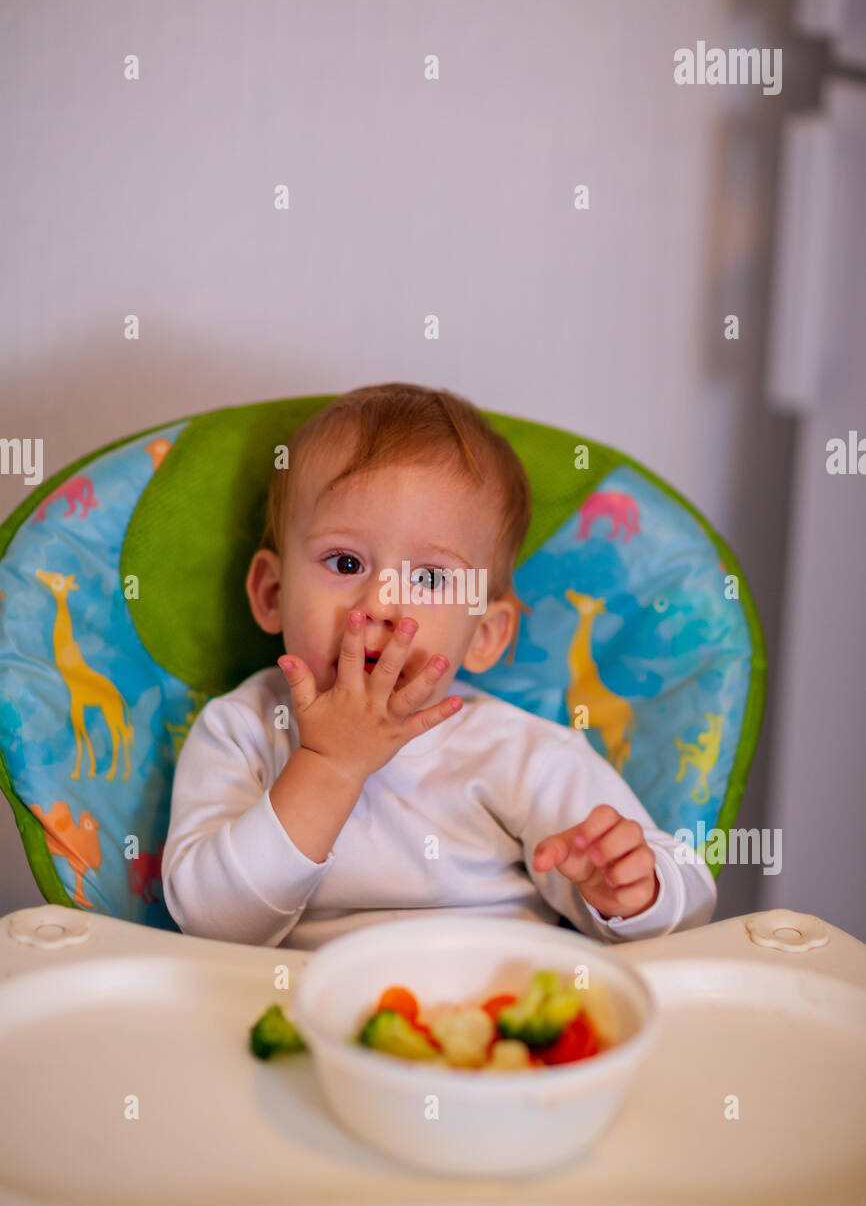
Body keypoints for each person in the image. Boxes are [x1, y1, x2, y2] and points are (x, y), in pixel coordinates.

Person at [162, 382, 716, 949]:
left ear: (484, 633)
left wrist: (632, 890)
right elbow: (209, 922)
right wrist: (329, 766)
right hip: (301, 1014)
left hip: (490, 1009)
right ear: (272, 593)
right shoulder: (243, 734)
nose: (379, 603)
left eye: (428, 577)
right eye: (346, 561)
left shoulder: (520, 754)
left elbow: (690, 894)